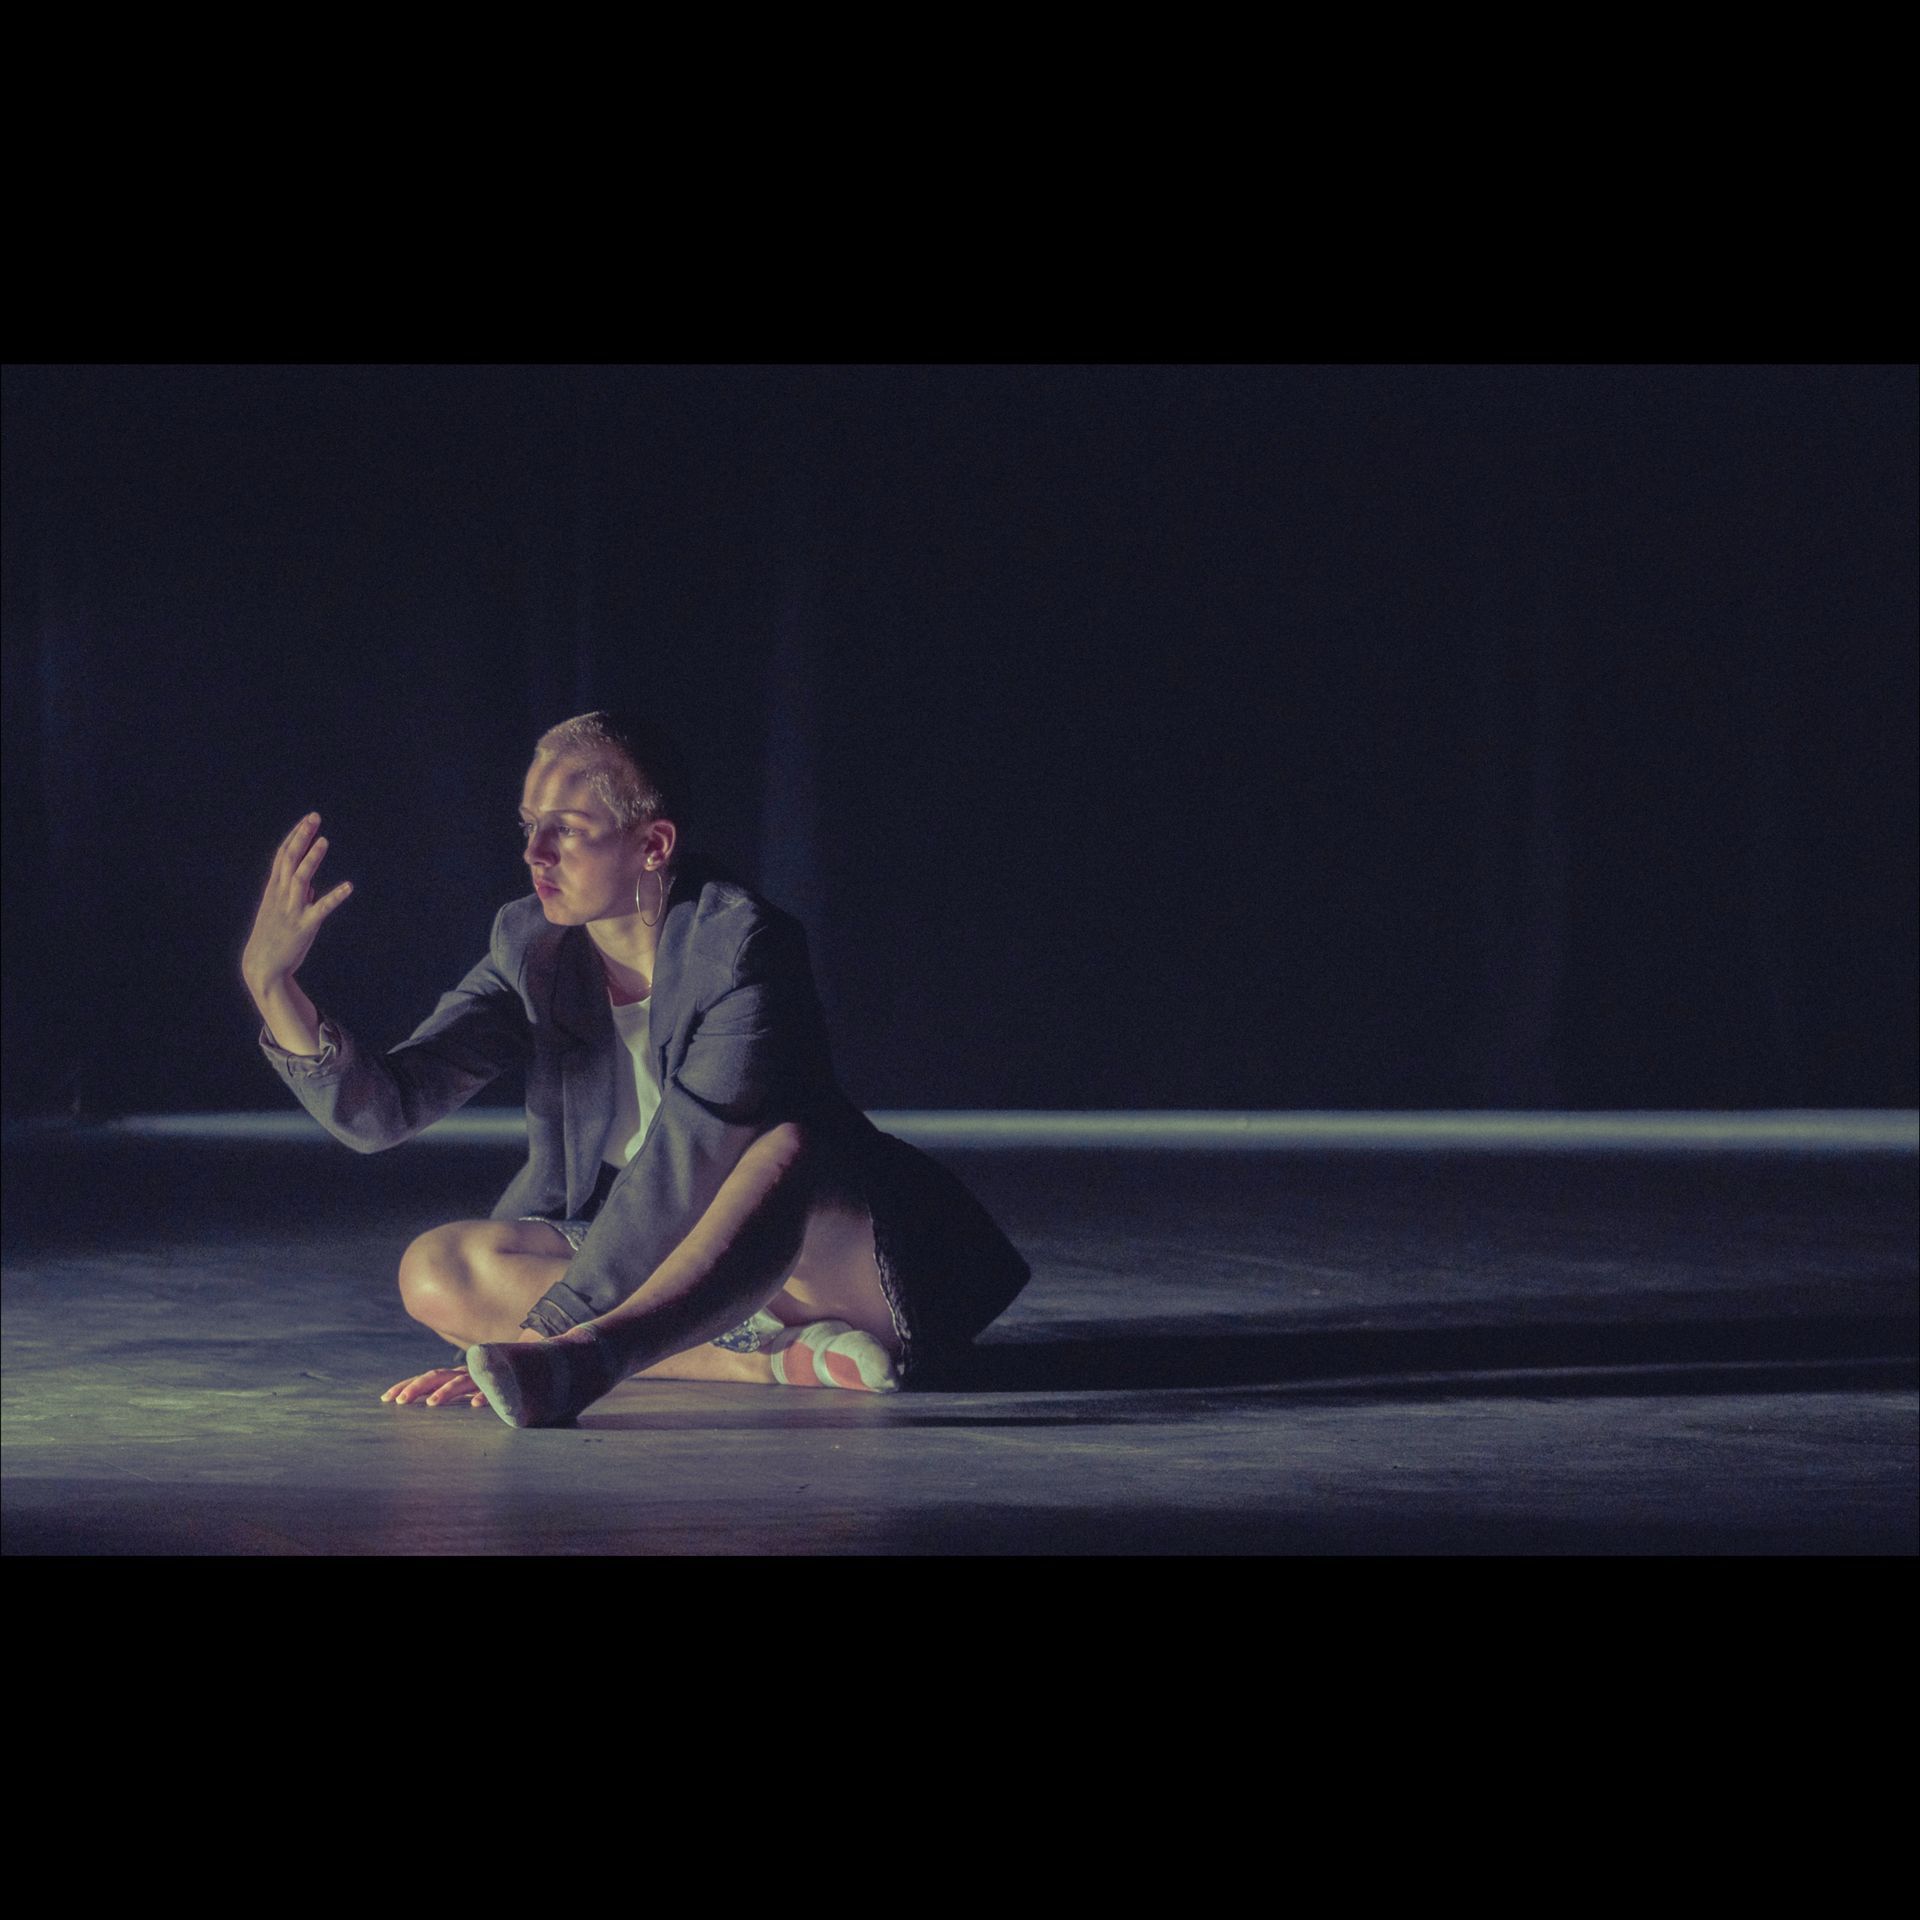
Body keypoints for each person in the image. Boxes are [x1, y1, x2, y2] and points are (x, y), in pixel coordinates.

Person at [243, 710, 1031, 1427]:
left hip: (837, 1262)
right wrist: (274, 987)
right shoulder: (533, 948)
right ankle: (766, 1361)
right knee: (434, 1269)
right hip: (658, 1264)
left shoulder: (740, 947)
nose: (534, 853)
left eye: (566, 830)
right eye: (528, 826)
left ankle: (598, 1359)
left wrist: (545, 1338)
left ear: (652, 845)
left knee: (783, 1149)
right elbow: (383, 1111)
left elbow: (684, 1168)